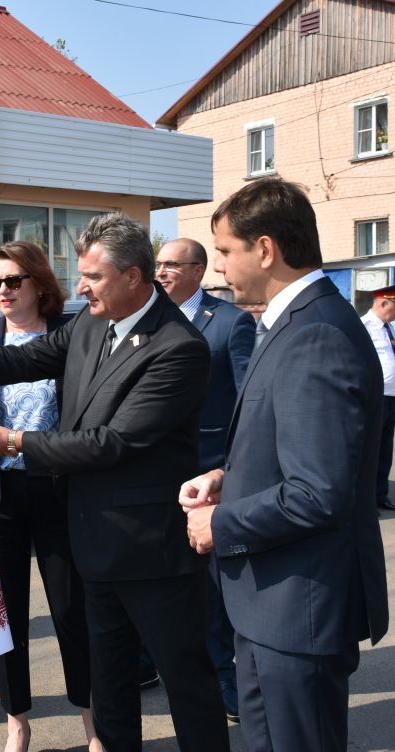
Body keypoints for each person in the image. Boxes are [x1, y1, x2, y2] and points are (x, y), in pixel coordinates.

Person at [0, 214, 228, 752]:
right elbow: (26, 356)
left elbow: (111, 443)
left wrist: (12, 443)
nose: (80, 287)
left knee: (185, 679)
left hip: (150, 551)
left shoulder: (178, 347)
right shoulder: (92, 322)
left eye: (93, 277)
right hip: (93, 544)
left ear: (134, 276)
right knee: (112, 681)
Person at [179, 179, 389, 752]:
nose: (218, 267)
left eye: (224, 251)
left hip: (298, 609)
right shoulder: (293, 322)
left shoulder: (315, 333)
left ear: (265, 249)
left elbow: (318, 492)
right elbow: (293, 449)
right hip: (273, 605)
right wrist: (226, 478)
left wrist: (219, 524)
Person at [0, 241, 100, 752]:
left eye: (13, 281)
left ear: (38, 283)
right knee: (4, 616)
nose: (4, 291)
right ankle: (18, 723)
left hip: (57, 488)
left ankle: (91, 719)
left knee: (72, 612)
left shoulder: (69, 335)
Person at [153, 236, 254, 722]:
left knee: (211, 590)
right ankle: (160, 666)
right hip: (152, 474)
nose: (162, 272)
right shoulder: (146, 319)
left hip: (207, 472)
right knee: (161, 579)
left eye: (172, 265)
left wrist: (231, 471)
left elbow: (245, 407)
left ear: (198, 270)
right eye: (158, 265)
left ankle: (224, 679)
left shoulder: (230, 322)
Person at [362, 283, 395, 512]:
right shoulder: (364, 327)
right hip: (373, 398)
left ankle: (381, 496)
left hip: (390, 398)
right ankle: (366, 502)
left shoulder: (388, 328)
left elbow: (393, 360)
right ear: (383, 303)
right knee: (369, 452)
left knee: (384, 451)